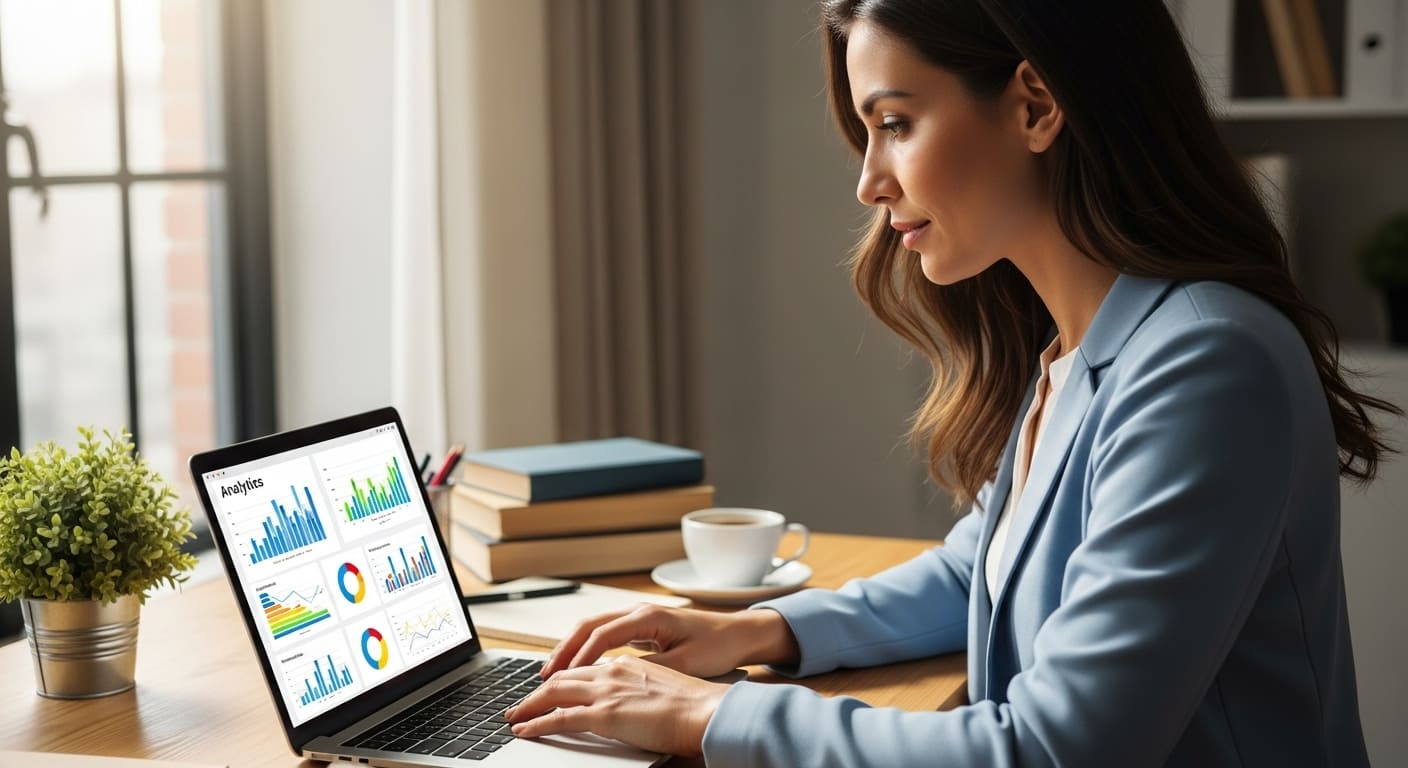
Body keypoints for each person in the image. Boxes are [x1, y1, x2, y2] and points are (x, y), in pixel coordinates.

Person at [505, 0, 1398, 764]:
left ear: (1036, 105)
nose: (867, 182)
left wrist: (714, 715)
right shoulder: (1080, 346)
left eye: (894, 123)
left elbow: (1055, 748)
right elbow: (985, 570)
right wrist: (759, 630)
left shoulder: (1205, 362)